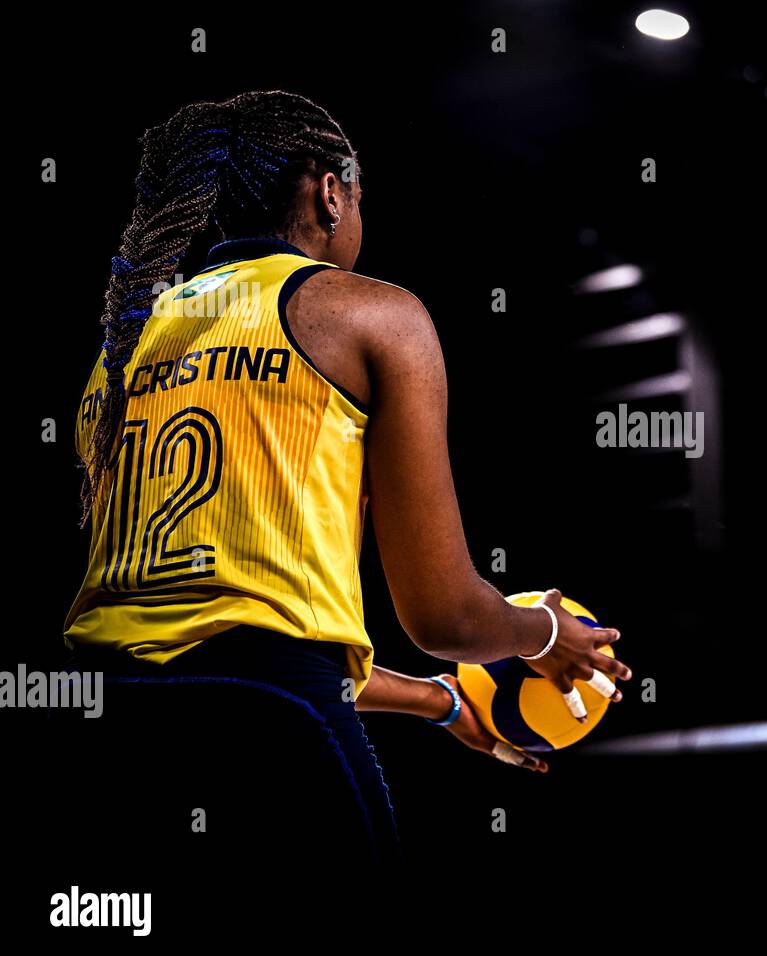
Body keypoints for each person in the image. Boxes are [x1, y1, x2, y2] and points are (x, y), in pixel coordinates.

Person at [62, 90, 631, 860]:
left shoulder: (122, 348)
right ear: (331, 191)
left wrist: (440, 704)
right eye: (360, 196)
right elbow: (446, 620)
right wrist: (545, 634)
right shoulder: (370, 315)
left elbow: (216, 644)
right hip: (271, 737)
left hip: (95, 731)